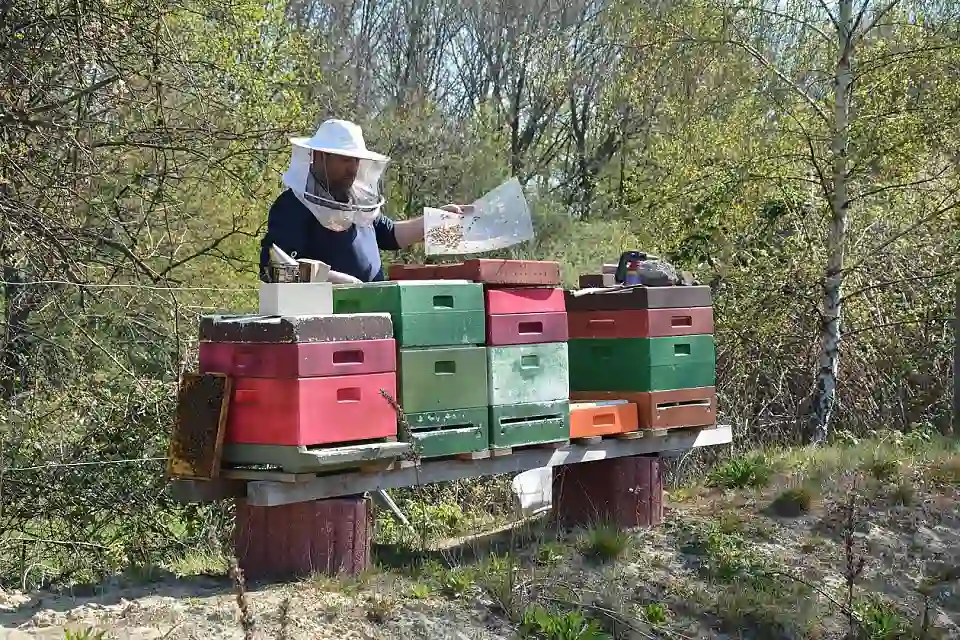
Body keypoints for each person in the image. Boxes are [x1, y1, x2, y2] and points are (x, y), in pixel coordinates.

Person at [259, 119, 471, 284]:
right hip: (324, 325)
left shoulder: (357, 202)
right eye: (345, 160)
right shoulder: (291, 208)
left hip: (373, 315)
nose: (353, 168)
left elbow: (390, 235)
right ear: (320, 156)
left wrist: (436, 221)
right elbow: (276, 269)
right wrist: (333, 280)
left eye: (356, 160)